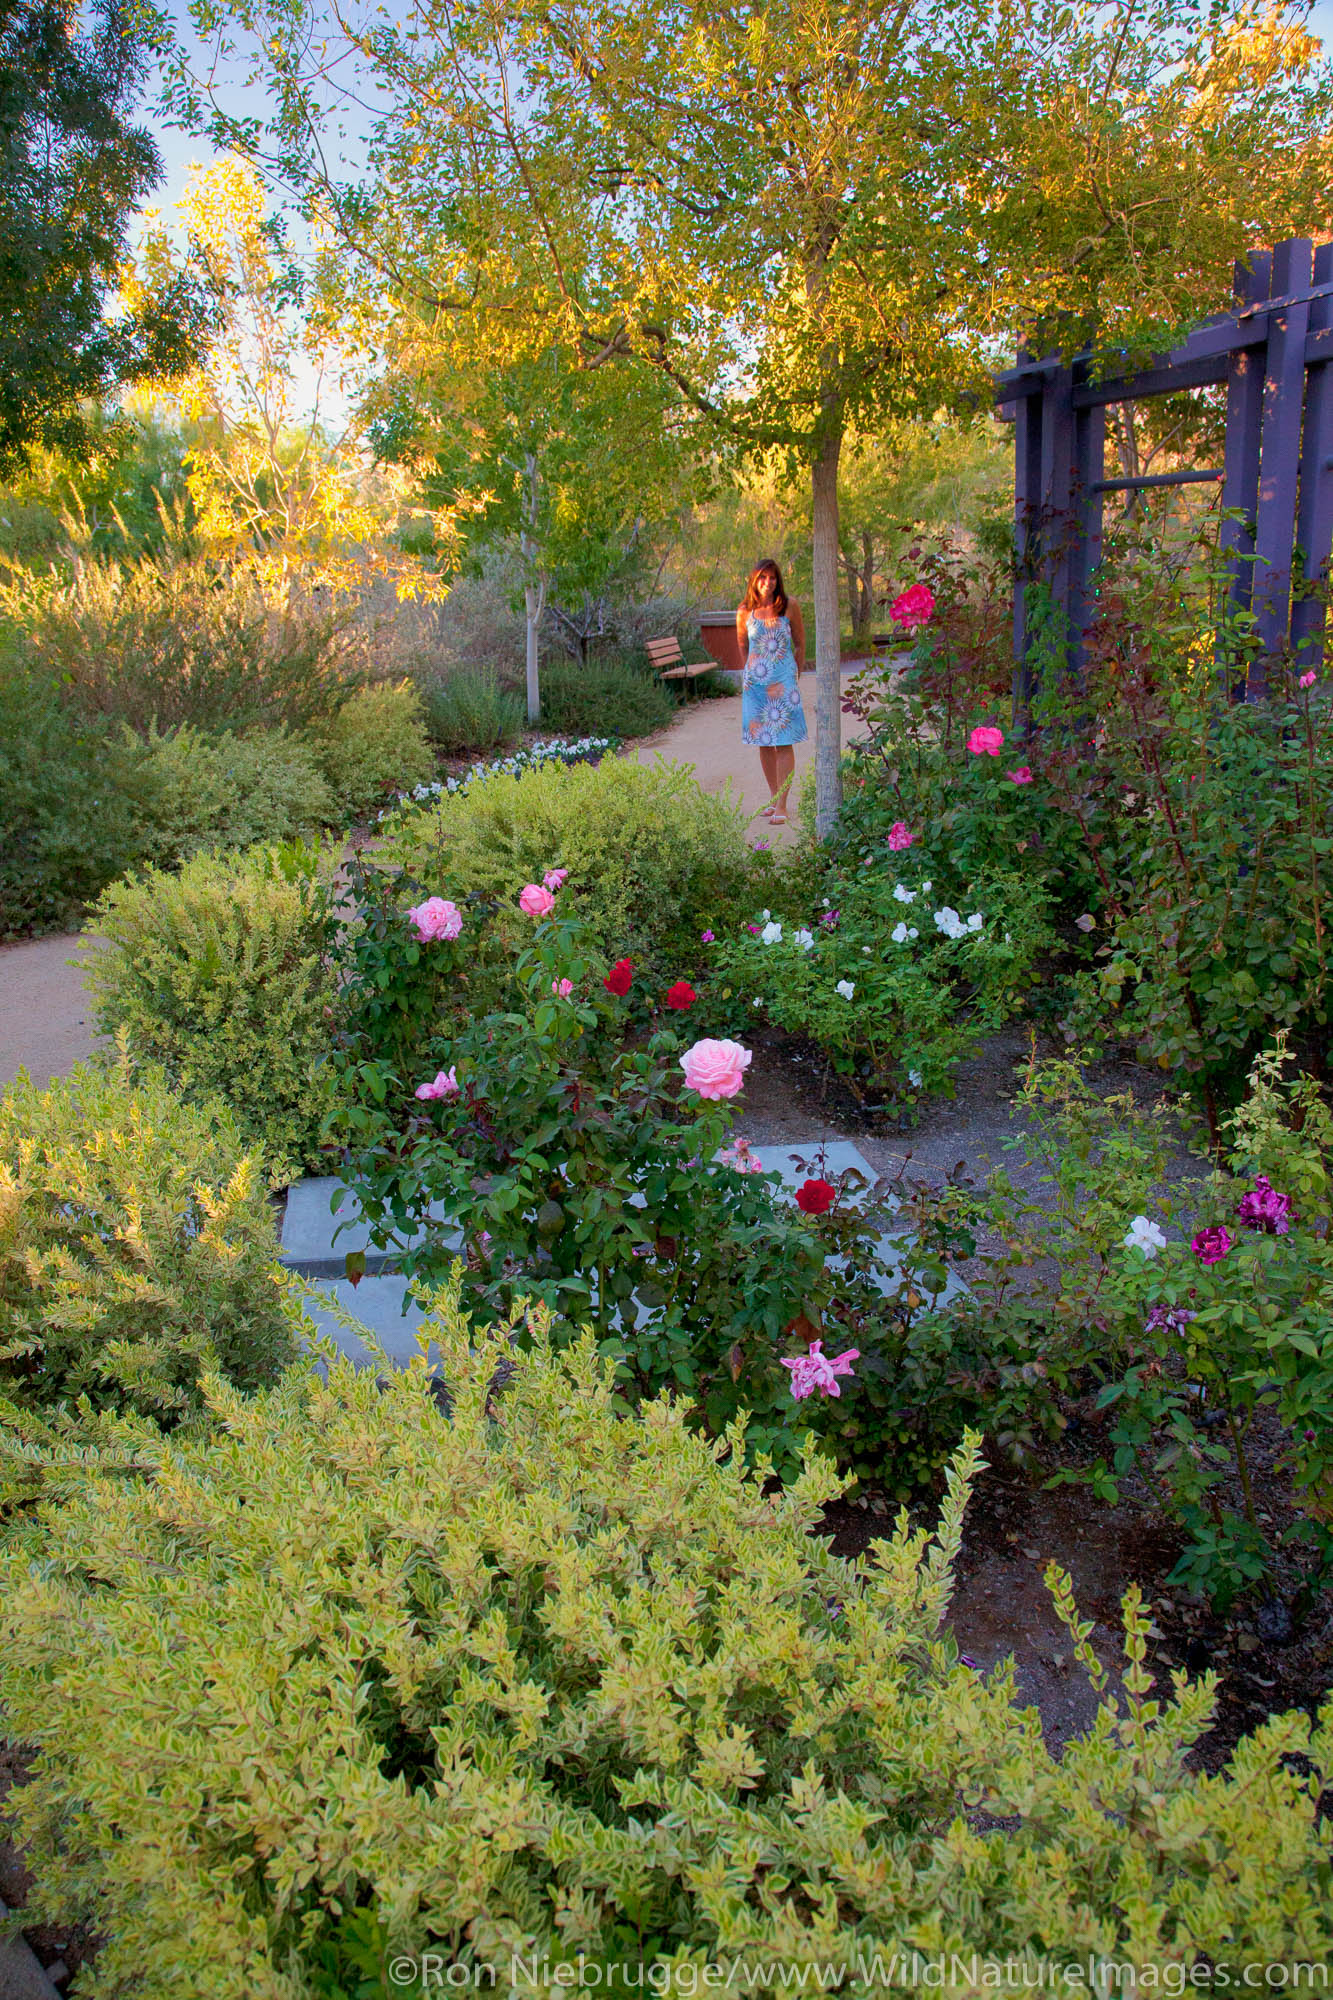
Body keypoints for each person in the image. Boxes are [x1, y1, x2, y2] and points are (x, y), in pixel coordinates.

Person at [736, 557, 807, 824]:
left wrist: (795, 673)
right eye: (763, 577)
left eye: (773, 577)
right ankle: (773, 798)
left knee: (783, 741)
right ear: (754, 580)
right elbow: (743, 645)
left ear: (778, 580)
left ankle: (783, 805)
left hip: (783, 684)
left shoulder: (789, 607)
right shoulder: (744, 611)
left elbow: (800, 644)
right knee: (764, 744)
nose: (768, 582)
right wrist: (749, 674)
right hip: (756, 686)